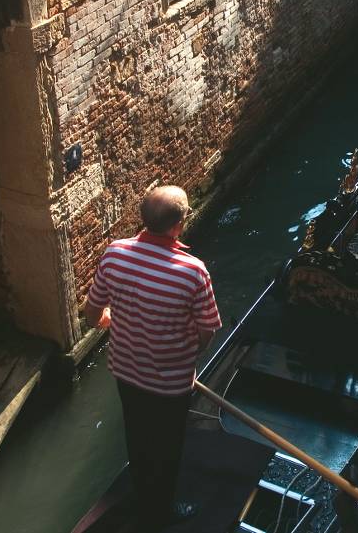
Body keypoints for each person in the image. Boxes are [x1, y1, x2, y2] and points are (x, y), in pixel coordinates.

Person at [83, 185, 222, 531]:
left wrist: (114, 322)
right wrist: (190, 355)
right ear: (178, 225)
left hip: (126, 372)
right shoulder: (193, 271)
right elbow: (208, 330)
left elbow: (92, 314)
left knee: (137, 435)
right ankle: (159, 510)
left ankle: (140, 492)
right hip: (170, 383)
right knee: (167, 446)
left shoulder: (114, 254)